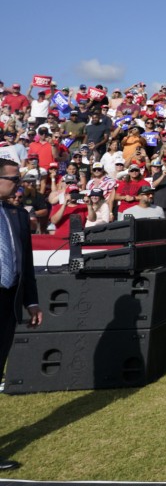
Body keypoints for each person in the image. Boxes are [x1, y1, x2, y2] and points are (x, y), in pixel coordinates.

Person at [0, 158, 43, 472]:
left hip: (8, 304)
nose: (20, 184)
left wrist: (32, 302)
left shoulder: (17, 215)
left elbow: (25, 264)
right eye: (14, 179)